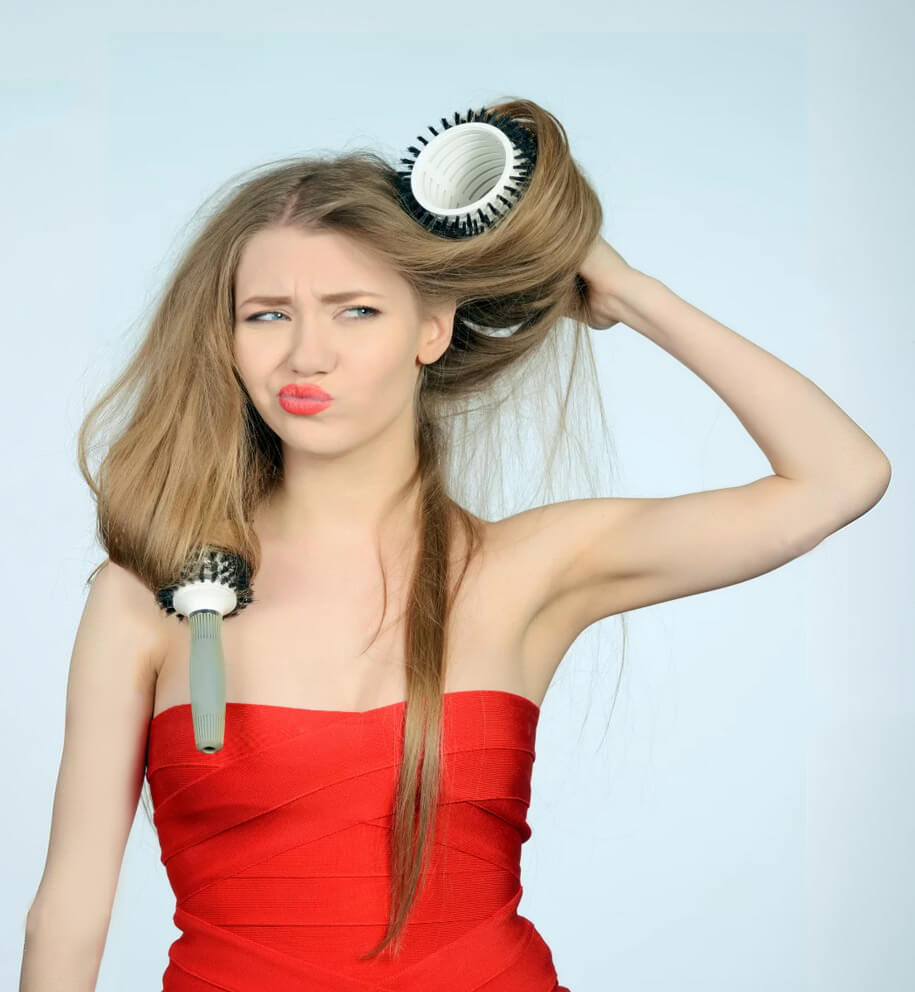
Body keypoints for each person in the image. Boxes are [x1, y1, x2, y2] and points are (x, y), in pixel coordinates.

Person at [20, 97, 891, 991]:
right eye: (268, 315)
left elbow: (839, 476)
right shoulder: (147, 591)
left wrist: (625, 290)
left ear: (430, 328)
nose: (306, 356)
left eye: (355, 310)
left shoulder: (529, 571)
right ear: (229, 342)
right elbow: (71, 911)